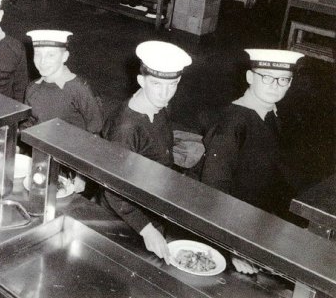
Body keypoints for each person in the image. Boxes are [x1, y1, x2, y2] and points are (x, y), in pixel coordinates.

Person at [101, 40, 192, 263]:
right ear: (141, 81)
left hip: (149, 206)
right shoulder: (127, 127)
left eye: (173, 85)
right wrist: (147, 230)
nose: (165, 93)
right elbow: (114, 189)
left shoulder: (158, 107)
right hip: (125, 219)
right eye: (157, 84)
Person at [201, 50, 303, 245]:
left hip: (254, 215)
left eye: (283, 80)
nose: (275, 86)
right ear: (250, 77)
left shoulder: (269, 112)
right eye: (267, 77)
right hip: (230, 223)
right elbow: (214, 187)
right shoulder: (234, 122)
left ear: (290, 83)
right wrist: (231, 246)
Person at [24, 29, 103, 133]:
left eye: (51, 55)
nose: (42, 61)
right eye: (38, 54)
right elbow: (30, 121)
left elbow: (95, 127)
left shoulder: (78, 89)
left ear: (64, 57)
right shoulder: (32, 88)